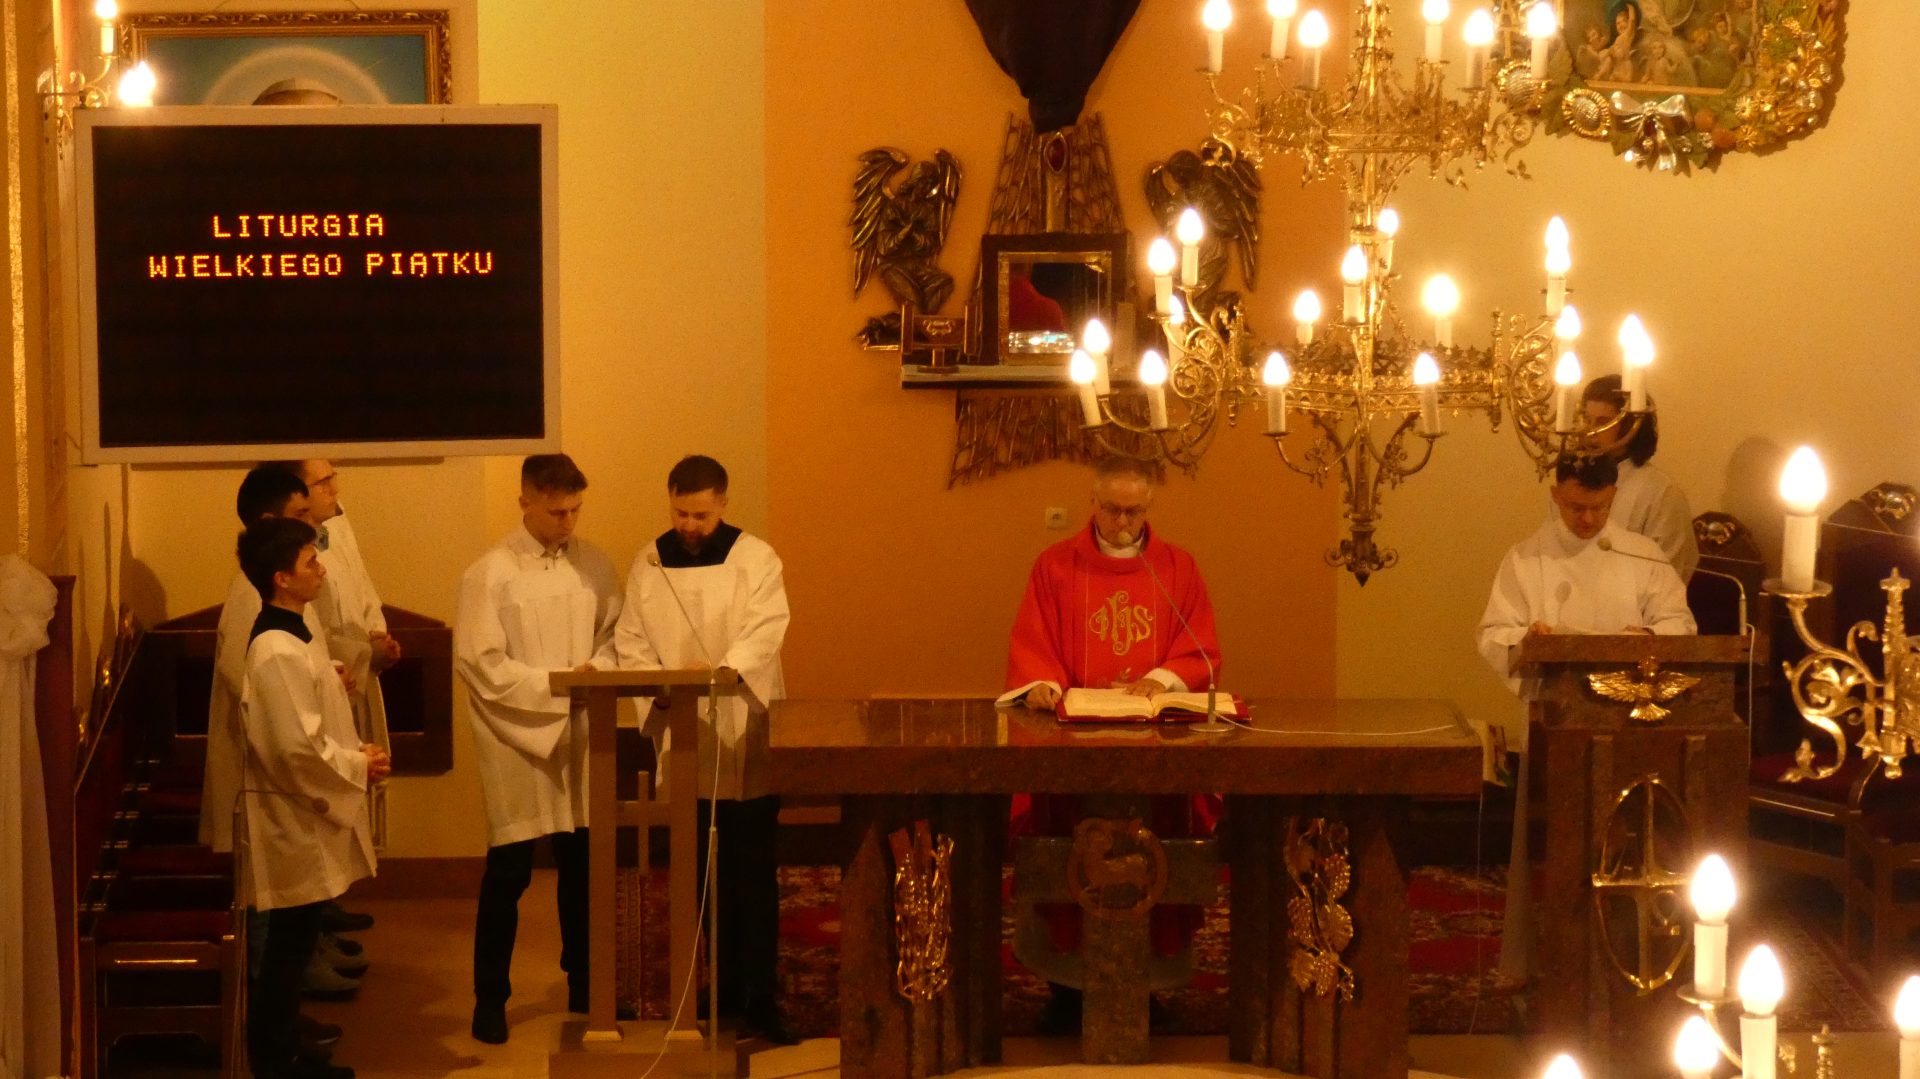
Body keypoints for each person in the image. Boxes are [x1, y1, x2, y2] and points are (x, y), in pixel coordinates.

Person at [1002, 455, 1222, 1032]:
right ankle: (1064, 987)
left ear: (1149, 507)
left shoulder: (1176, 568)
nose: (1123, 522)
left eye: (1134, 511)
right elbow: (1034, 643)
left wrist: (1163, 680)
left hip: (1156, 747)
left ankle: (1149, 989)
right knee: (1069, 860)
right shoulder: (1055, 566)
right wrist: (1045, 686)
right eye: (1113, 509)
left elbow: (1199, 647)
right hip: (1073, 747)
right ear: (1092, 504)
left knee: (1155, 859)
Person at [1476, 453, 1695, 982]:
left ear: (1614, 496)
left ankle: (1629, 959)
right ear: (1556, 494)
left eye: (1599, 507)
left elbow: (1680, 625)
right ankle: (1550, 967)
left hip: (1634, 724)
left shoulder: (1643, 556)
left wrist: (1648, 638)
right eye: (1576, 507)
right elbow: (1493, 634)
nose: (1587, 519)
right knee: (1557, 848)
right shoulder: (1527, 559)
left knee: (1629, 845)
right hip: (1556, 724)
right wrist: (1528, 641)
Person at [614, 454, 793, 1044]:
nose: (689, 526)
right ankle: (715, 984)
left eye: (701, 515)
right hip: (684, 731)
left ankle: (760, 994)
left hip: (742, 722)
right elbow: (631, 640)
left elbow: (767, 627)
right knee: (699, 871)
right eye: (680, 513)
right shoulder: (649, 562)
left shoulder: (755, 557)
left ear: (723, 504)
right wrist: (666, 689)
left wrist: (724, 671)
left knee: (752, 868)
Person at [455, 454, 621, 1045]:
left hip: (581, 732)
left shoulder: (594, 564)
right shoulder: (490, 573)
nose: (567, 522)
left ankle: (585, 982)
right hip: (517, 738)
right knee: (510, 872)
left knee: (582, 865)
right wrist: (555, 688)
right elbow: (479, 661)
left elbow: (616, 635)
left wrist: (597, 671)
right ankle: (490, 999)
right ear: (525, 500)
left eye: (575, 510)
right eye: (555, 512)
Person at [235, 515, 389, 1079]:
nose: (321, 569)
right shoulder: (275, 648)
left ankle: (286, 1051)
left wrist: (332, 682)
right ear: (282, 578)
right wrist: (358, 764)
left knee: (295, 945)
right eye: (310, 562)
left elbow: (305, 711)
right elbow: (296, 750)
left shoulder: (291, 634)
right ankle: (276, 1064)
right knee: (287, 951)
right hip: (289, 820)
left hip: (300, 815)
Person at [267, 460, 398, 944]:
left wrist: (376, 634)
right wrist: (347, 660)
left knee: (333, 821)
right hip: (316, 697)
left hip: (344, 675)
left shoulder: (335, 530)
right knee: (309, 831)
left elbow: (361, 590)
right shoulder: (272, 581)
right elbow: (312, 631)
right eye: (322, 483)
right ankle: (308, 941)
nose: (333, 490)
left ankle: (323, 916)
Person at [1579, 373, 1699, 580]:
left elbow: (1668, 575)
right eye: (1586, 421)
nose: (1590, 432)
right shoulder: (1575, 484)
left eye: (1602, 422)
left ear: (1629, 427)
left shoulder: (1660, 493)